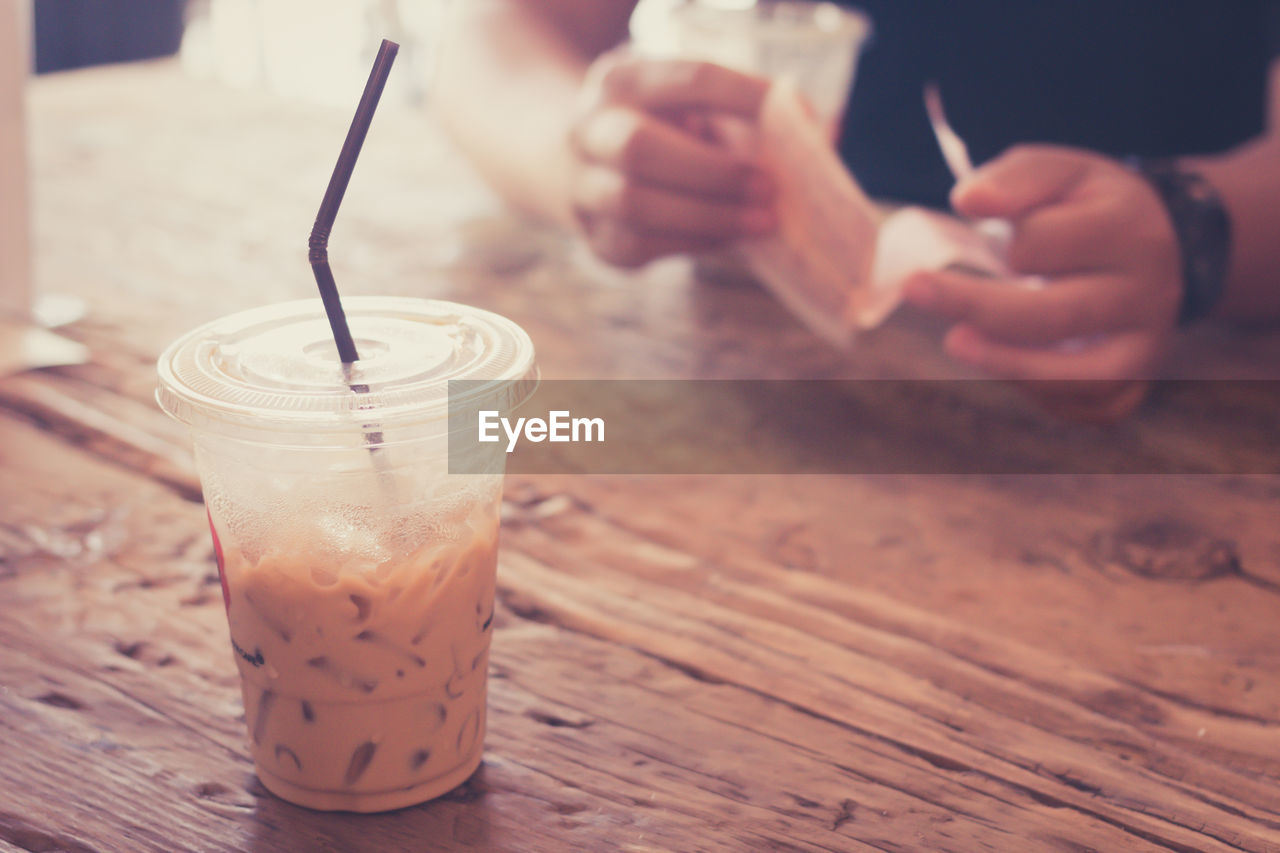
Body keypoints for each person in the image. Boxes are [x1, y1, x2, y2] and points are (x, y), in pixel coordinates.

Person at [435, 0, 1280, 420]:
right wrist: (577, 153)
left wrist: (1201, 230)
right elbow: (491, 26)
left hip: (1189, 414)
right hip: (765, 394)